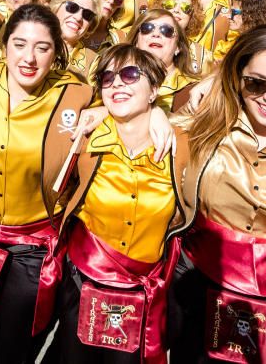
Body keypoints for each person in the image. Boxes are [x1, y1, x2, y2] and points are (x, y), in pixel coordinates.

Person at [0, 4, 94, 364]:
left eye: (42, 47)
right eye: (19, 44)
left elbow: (128, 108)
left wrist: (102, 112)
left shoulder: (76, 95)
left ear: (57, 53)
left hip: (31, 247)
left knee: (12, 350)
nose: (29, 57)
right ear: (4, 46)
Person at [171, 25, 266, 361]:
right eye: (256, 83)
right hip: (196, 286)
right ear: (238, 77)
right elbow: (141, 125)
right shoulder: (207, 121)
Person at [53, 45, 190, 364]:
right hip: (82, 282)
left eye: (130, 75)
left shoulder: (182, 147)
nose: (117, 83)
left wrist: (159, 114)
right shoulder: (85, 140)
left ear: (155, 89)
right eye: (108, 77)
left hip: (141, 293)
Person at [50, 0, 101, 80]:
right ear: (56, 7)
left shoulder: (93, 64)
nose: (78, 18)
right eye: (72, 7)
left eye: (87, 15)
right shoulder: (30, 39)